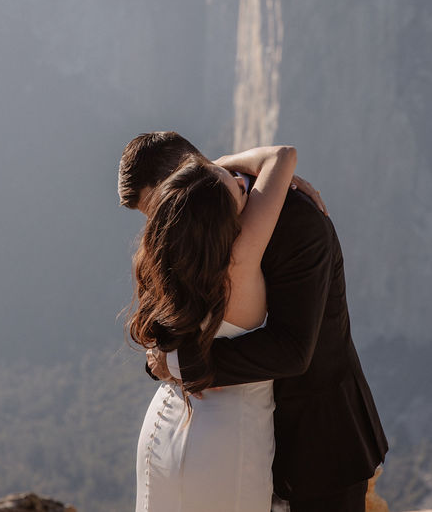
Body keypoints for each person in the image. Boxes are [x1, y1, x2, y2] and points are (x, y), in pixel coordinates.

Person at [119, 132, 388, 512]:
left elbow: (293, 350)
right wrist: (162, 354)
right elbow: (165, 314)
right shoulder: (190, 224)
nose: (166, 222)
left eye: (162, 205)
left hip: (317, 447)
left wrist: (183, 363)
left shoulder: (299, 223)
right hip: (224, 441)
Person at [127, 143, 297, 511]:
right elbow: (282, 156)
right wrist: (219, 164)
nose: (243, 182)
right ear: (222, 215)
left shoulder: (167, 264)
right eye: (236, 185)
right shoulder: (241, 261)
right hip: (226, 442)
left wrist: (205, 176)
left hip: (164, 425)